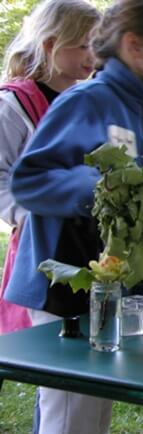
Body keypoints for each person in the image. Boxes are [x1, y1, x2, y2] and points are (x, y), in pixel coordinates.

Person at [5, 1, 143, 434]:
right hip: (65, 289)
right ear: (135, 47)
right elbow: (29, 181)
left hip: (109, 292)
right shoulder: (86, 101)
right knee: (69, 421)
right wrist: (99, 188)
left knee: (93, 420)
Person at [0, 0, 100, 336]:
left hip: (92, 246)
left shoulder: (88, 101)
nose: (92, 56)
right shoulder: (13, 106)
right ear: (50, 45)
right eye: (84, 46)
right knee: (59, 349)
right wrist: (26, 216)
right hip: (44, 251)